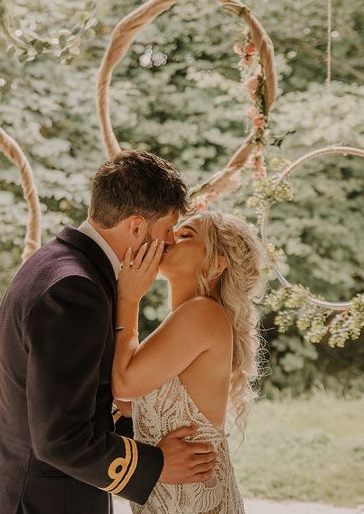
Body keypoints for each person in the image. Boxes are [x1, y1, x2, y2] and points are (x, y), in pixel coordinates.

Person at [0, 150, 217, 514]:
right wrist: (157, 464)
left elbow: (81, 398)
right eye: (166, 231)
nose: (168, 243)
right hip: (40, 502)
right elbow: (59, 437)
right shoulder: (75, 290)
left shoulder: (58, 262)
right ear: (136, 227)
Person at [112, 209, 266, 514]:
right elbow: (134, 403)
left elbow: (124, 385)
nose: (170, 238)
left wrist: (128, 299)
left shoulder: (201, 314)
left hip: (195, 501)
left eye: (185, 235)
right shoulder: (188, 319)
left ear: (216, 264)